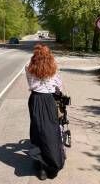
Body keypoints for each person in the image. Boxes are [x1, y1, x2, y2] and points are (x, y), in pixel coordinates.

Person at [25, 43, 65, 180]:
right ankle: (52, 166)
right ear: (49, 56)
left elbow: (31, 85)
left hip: (35, 100)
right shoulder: (54, 67)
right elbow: (59, 85)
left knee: (37, 132)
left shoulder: (28, 67)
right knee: (51, 132)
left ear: (35, 56)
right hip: (49, 101)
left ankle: (41, 168)